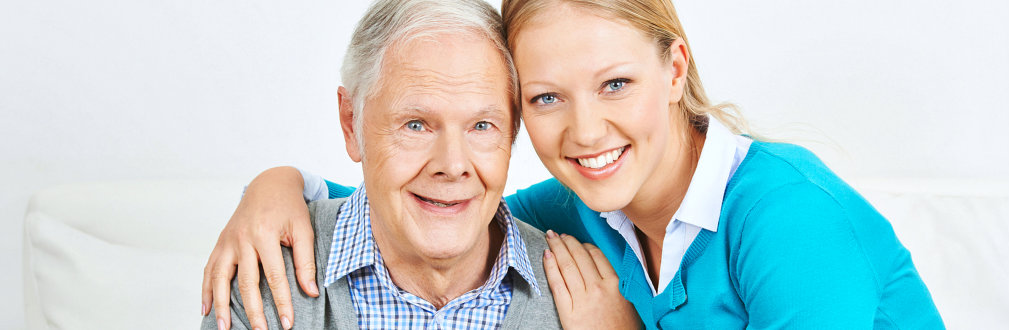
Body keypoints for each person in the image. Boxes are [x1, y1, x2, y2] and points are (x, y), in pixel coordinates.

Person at [203, 0, 946, 328]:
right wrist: (278, 188)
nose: (586, 131)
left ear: (675, 67)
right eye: (549, 97)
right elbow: (430, 202)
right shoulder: (581, 206)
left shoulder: (787, 215)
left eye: (615, 83)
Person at [199, 0, 589, 328]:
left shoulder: (583, 298)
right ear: (352, 123)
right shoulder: (264, 270)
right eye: (416, 125)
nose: (453, 166)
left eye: (482, 125)